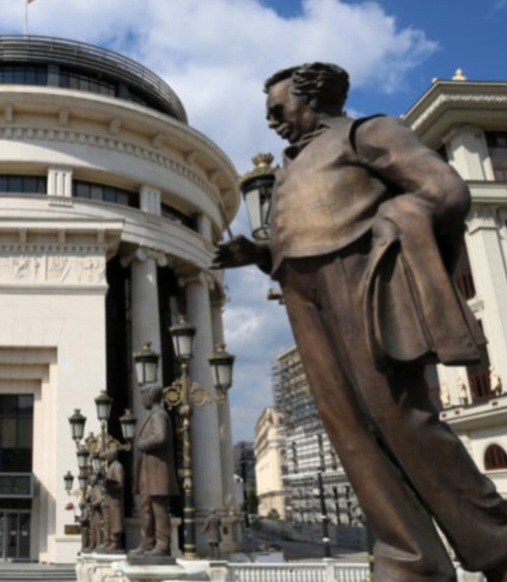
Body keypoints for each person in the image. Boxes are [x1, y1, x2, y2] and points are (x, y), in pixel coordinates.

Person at [213, 62, 507, 582]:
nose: (272, 122)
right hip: (301, 293)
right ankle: (411, 560)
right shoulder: (289, 167)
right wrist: (258, 254)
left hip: (358, 275)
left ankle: (497, 544)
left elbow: (443, 190)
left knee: (398, 416)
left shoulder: (366, 133)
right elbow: (296, 238)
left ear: (312, 97)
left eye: (278, 110)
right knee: (349, 432)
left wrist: (393, 234)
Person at [129, 385, 178, 556]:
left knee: (158, 508)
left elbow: (160, 436)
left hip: (157, 472)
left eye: (143, 397)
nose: (141, 401)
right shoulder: (153, 415)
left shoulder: (159, 415)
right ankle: (147, 544)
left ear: (150, 397)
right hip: (148, 472)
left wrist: (142, 444)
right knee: (146, 508)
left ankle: (162, 545)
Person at [100, 447, 125, 551]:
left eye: (108, 455)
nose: (106, 457)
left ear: (113, 455)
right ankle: (107, 540)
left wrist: (110, 486)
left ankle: (115, 541)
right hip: (108, 499)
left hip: (114, 499)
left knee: (115, 521)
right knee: (107, 521)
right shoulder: (110, 466)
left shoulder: (117, 466)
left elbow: (120, 483)